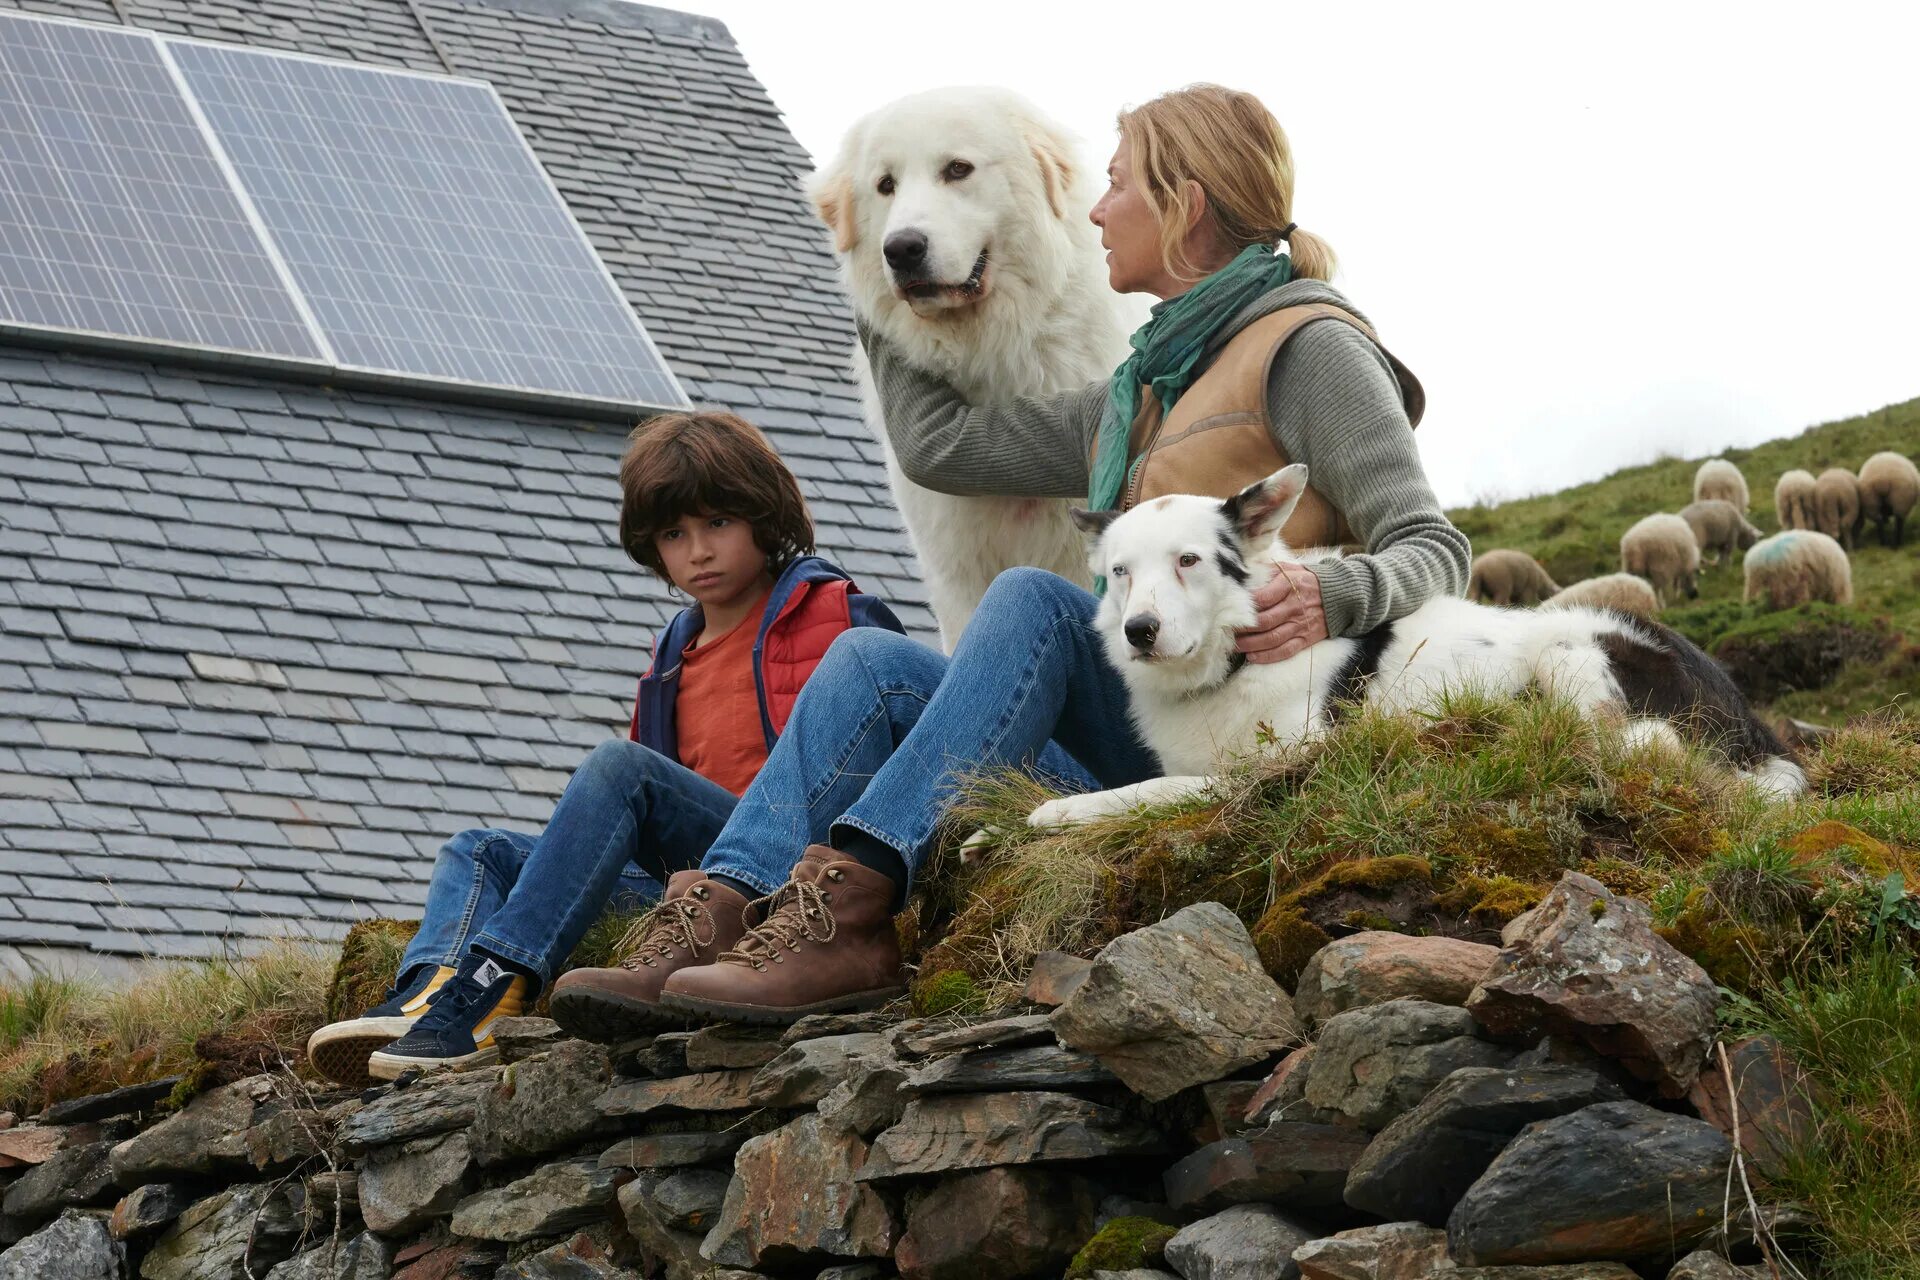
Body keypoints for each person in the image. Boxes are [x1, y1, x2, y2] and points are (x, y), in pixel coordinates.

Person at [554, 83, 1471, 1030]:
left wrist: (1330, 591)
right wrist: (889, 275)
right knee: (867, 660)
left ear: (1186, 206)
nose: (1092, 208)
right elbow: (946, 449)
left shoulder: (1310, 345)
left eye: (1115, 187)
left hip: (1255, 746)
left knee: (1036, 598)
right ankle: (720, 911)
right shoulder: (1139, 388)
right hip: (1150, 720)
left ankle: (850, 911)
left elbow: (1436, 548)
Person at [304, 410, 903, 1082]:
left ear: (764, 517)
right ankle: (427, 998)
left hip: (788, 867)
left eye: (718, 524)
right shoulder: (673, 656)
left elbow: (901, 759)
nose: (698, 551)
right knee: (481, 850)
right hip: (688, 889)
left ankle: (490, 992)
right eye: (675, 533)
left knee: (621, 769)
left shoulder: (835, 615)